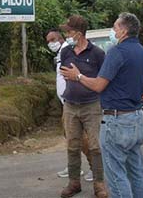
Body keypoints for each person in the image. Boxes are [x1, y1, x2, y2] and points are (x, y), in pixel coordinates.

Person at [61, 13, 143, 198]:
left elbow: (99, 85)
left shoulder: (116, 52)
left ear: (124, 31)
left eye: (115, 27)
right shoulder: (142, 52)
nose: (113, 31)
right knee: (136, 172)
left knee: (116, 175)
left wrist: (78, 76)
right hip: (136, 117)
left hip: (117, 119)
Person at [57, 15, 108, 198]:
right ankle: (74, 182)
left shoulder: (97, 54)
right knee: (72, 145)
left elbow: (103, 81)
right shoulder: (66, 52)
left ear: (79, 33)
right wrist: (72, 77)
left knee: (94, 146)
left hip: (91, 105)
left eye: (69, 31)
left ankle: (99, 184)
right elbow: (65, 74)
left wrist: (78, 76)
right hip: (70, 104)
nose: (67, 35)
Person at [46, 29, 93, 182]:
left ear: (60, 38)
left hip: (73, 103)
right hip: (66, 103)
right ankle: (75, 167)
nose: (50, 43)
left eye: (52, 39)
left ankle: (94, 167)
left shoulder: (68, 51)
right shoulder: (61, 53)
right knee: (70, 137)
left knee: (81, 138)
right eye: (48, 41)